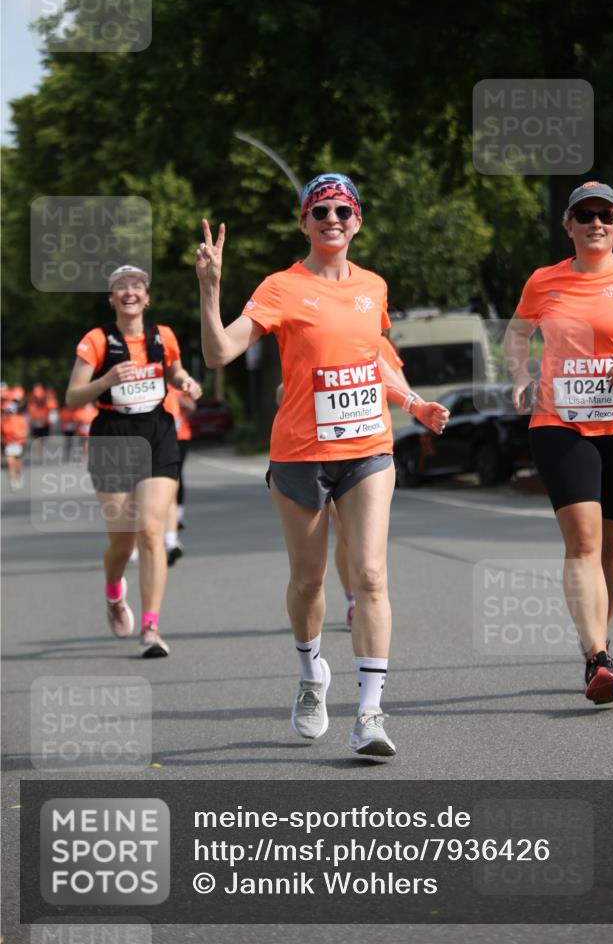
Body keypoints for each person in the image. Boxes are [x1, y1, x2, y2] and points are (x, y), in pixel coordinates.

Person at [197, 173, 448, 756]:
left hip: (368, 449)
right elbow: (219, 352)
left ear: (357, 220)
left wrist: (412, 402)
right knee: (309, 581)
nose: (331, 219)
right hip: (299, 453)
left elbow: (376, 358)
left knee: (371, 574)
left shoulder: (375, 287)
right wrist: (209, 289)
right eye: (320, 211)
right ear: (304, 222)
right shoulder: (283, 286)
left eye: (342, 210)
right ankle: (312, 677)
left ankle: (370, 713)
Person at [504, 181, 613, 705]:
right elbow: (516, 332)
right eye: (586, 215)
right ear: (568, 225)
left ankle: (597, 639)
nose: (596, 223)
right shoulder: (544, 281)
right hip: (560, 422)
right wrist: (519, 375)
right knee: (583, 542)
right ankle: (598, 656)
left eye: (607, 215)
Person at [65, 263, 202, 657]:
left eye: (137, 286)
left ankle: (151, 627)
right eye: (121, 287)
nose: (129, 292)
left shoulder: (164, 336)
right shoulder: (96, 340)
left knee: (151, 530)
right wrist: (107, 381)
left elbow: (173, 371)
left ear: (147, 296)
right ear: (112, 298)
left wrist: (186, 382)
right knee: (122, 543)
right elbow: (74, 396)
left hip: (157, 433)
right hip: (113, 436)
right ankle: (113, 593)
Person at [279, 331, 414, 630]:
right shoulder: (319, 337)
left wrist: (414, 405)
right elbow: (283, 392)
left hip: (368, 449)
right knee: (342, 534)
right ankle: (353, 599)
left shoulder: (380, 345)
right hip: (323, 451)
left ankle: (366, 594)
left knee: (362, 546)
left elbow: (401, 388)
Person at [162, 384, 195, 565]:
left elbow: (191, 407)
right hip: (150, 440)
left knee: (175, 477)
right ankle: (135, 542)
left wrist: (179, 398)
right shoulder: (150, 384)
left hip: (179, 437)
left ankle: (171, 539)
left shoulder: (176, 388)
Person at [1, 399, 29, 489]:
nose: (8, 413)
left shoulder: (20, 419)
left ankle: (19, 475)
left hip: (18, 444)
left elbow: (26, 432)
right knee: (10, 462)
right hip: (8, 444)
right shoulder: (3, 421)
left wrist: (19, 434)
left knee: (17, 463)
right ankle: (13, 481)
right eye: (7, 411)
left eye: (10, 411)